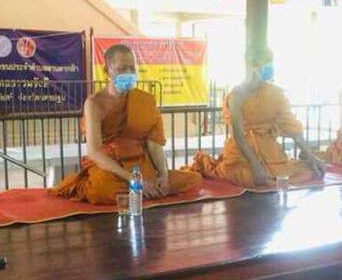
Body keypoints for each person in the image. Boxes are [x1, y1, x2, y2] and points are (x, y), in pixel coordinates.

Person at [51, 44, 201, 204]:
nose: (129, 73)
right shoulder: (95, 103)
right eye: (122, 68)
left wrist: (163, 176)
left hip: (140, 162)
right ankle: (143, 190)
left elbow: (154, 145)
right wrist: (134, 180)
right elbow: (95, 152)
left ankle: (144, 190)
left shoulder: (146, 100)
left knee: (193, 180)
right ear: (107, 71)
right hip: (110, 166)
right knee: (100, 190)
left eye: (132, 68)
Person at [191, 48, 325, 188]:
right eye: (267, 63)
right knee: (253, 178)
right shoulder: (237, 95)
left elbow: (293, 129)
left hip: (270, 153)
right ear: (253, 65)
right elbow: (238, 135)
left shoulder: (274, 93)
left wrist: (311, 157)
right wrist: (256, 166)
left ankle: (272, 179)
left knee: (311, 171)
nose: (271, 68)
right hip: (242, 156)